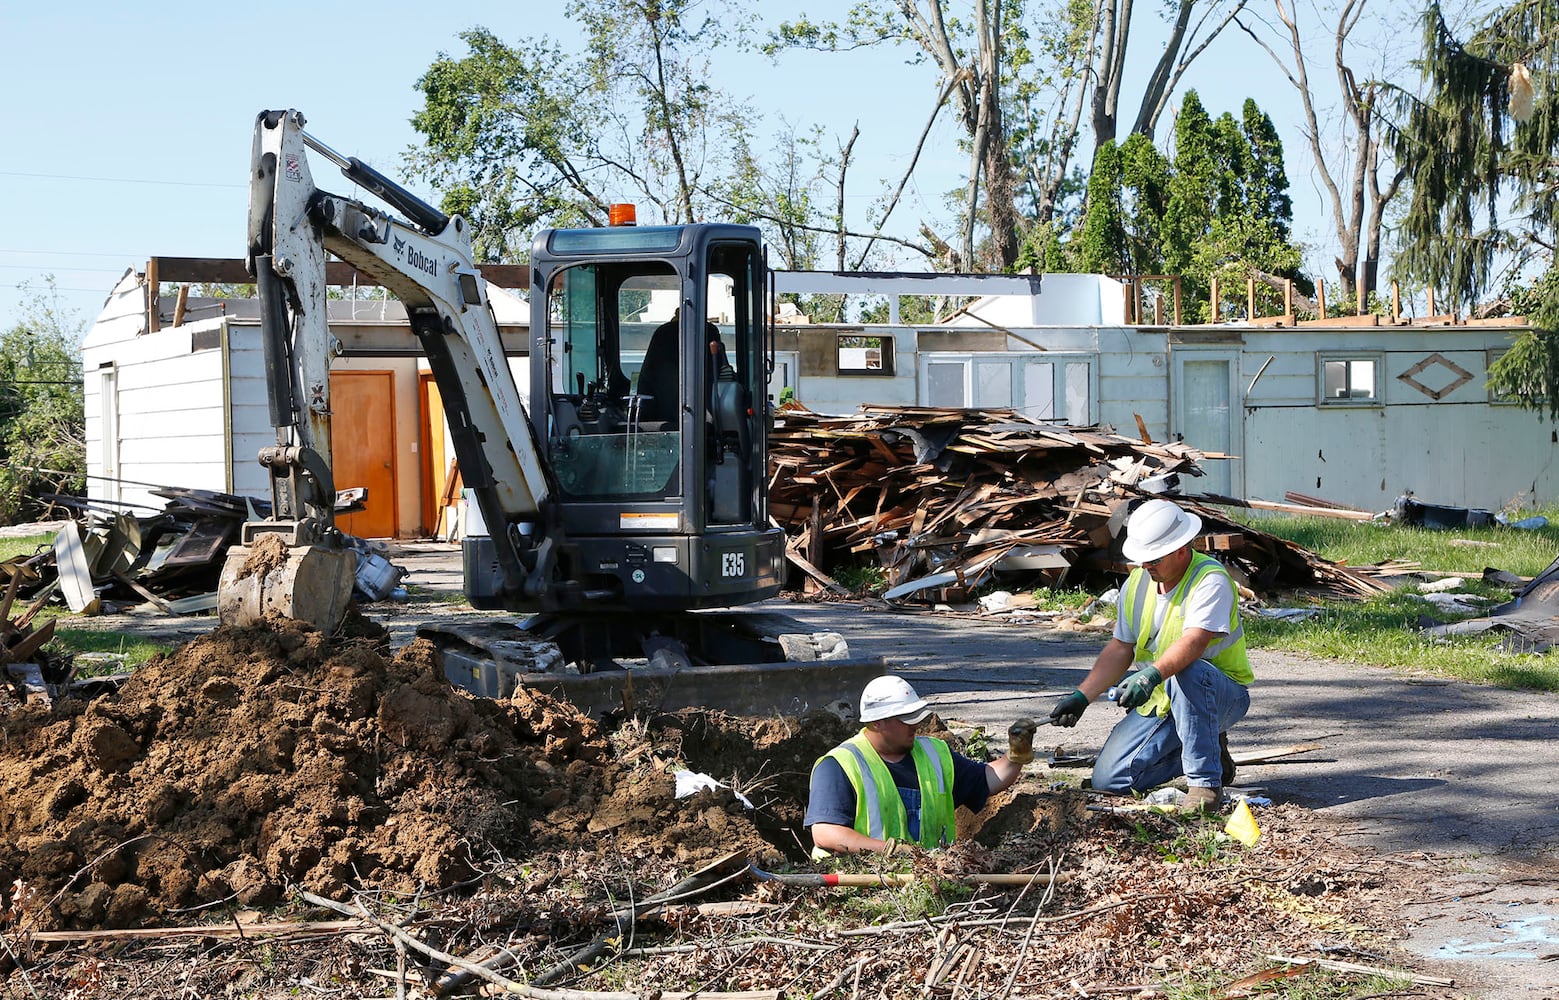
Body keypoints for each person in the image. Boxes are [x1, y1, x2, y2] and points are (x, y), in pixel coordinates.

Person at [1048, 498, 1252, 814]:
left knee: (1189, 670)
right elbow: (1120, 648)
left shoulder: (1211, 580)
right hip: (1162, 700)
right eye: (1143, 559)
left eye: (1153, 559)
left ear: (1181, 550)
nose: (1146, 566)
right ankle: (1209, 749)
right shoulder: (1139, 584)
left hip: (1221, 696)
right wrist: (1082, 697)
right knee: (1109, 782)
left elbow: (1194, 643)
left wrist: (1151, 674)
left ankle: (1205, 785)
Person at [806, 675, 1035, 855]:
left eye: (915, 715)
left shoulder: (933, 754)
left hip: (927, 884)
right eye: (906, 718)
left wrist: (1016, 754)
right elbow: (826, 833)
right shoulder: (840, 765)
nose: (915, 724)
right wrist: (889, 851)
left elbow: (988, 778)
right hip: (859, 886)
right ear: (877, 722)